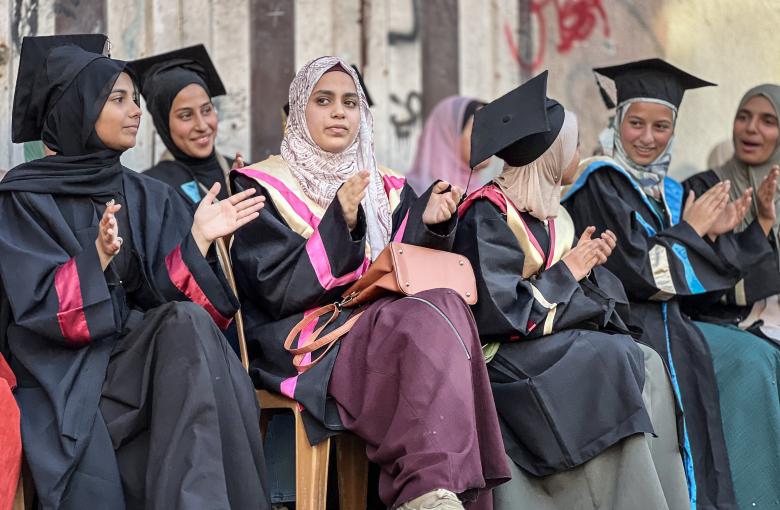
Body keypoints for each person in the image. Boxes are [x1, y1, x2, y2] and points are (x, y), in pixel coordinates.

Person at [0, 35, 269, 509]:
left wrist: (198, 241)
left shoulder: (148, 195)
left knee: (186, 325)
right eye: (118, 99)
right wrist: (96, 259)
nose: (135, 112)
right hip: (67, 374)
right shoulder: (24, 200)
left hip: (138, 364)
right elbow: (38, 311)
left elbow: (165, 302)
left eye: (135, 99)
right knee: (183, 343)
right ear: (78, 109)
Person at [231, 55, 510, 510]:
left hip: (379, 325)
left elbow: (398, 269)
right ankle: (430, 488)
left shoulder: (387, 186)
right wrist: (340, 223)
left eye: (350, 102)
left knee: (446, 305)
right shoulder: (261, 185)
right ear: (299, 109)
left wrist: (430, 224)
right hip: (305, 338)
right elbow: (272, 288)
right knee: (420, 323)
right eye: (324, 101)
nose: (339, 113)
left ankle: (438, 490)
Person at [455, 71, 688, 510]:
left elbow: (573, 290)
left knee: (648, 360)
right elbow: (502, 313)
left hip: (545, 340)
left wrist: (589, 265)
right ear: (551, 155)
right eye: (575, 146)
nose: (581, 154)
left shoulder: (551, 214)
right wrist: (569, 271)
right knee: (613, 357)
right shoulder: (487, 214)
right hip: (503, 355)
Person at [562, 59, 774, 510]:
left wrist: (729, 232)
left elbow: (697, 284)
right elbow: (640, 275)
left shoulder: (668, 191)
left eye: (661, 126)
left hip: (670, 324)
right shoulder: (600, 182)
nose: (647, 137)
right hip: (625, 323)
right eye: (636, 123)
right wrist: (693, 232)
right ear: (618, 121)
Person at [683, 84, 780, 508]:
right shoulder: (706, 189)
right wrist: (758, 226)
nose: (751, 129)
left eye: (768, 120)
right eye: (744, 117)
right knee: (755, 362)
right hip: (721, 321)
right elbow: (700, 284)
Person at [130, 45, 241, 209]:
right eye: (186, 115)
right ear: (163, 123)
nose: (202, 125)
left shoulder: (244, 174)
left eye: (206, 110)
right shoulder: (149, 190)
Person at [406, 95, 491, 195]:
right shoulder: (407, 197)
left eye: (490, 128)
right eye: (478, 129)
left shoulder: (485, 194)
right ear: (450, 136)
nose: (489, 137)